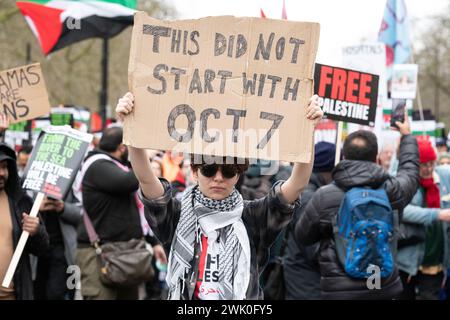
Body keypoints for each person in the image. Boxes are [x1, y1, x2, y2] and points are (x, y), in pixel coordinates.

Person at [116, 92, 323, 300]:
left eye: (228, 171)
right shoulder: (176, 215)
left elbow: (297, 185)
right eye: (209, 170)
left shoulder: (253, 216)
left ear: (237, 176)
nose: (218, 178)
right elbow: (145, 179)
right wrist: (131, 125)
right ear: (195, 173)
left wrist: (309, 130)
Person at [295, 113, 419, 300]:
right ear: (375, 156)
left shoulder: (325, 196)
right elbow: (410, 171)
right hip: (381, 286)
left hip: (340, 288)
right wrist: (407, 136)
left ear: (344, 155)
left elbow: (303, 236)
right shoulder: (393, 190)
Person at [75, 127, 166, 300]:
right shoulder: (97, 165)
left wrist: (153, 242)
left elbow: (131, 211)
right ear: (123, 148)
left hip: (126, 252)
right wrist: (147, 156)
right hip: (99, 254)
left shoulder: (115, 166)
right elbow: (129, 181)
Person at [396, 138, 450, 300]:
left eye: (431, 163)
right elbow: (401, 209)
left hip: (435, 260)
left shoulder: (443, 176)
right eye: (423, 164)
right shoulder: (403, 180)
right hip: (407, 260)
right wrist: (437, 214)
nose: (428, 169)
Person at [284, 141, 336, 300]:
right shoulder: (308, 198)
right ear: (327, 170)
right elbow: (312, 248)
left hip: (303, 277)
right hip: (305, 281)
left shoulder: (312, 192)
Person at [0, 143, 49, 300]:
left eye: (5, 167)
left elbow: (42, 248)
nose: (2, 173)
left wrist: (36, 231)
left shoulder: (20, 202)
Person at [34, 191, 82, 300]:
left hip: (62, 250)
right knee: (37, 292)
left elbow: (82, 215)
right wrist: (36, 207)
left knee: (55, 293)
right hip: (36, 251)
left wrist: (63, 207)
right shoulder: (32, 181)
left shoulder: (70, 184)